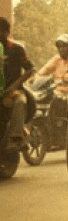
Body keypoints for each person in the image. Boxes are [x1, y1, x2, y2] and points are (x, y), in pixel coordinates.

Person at [0, 16, 34, 152]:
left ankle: (15, 138)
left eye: (1, 32)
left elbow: (30, 69)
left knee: (20, 101)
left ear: (7, 33)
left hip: (12, 92)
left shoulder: (17, 49)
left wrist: (14, 85)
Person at [36, 34, 68, 114]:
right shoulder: (57, 59)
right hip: (58, 90)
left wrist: (67, 79)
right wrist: (35, 79)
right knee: (42, 101)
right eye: (59, 47)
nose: (61, 49)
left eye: (64, 47)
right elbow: (42, 72)